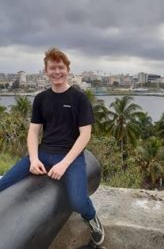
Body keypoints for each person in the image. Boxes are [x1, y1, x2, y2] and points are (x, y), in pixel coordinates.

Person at [0, 47, 105, 246]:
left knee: (78, 202)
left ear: (67, 69)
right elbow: (33, 131)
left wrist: (64, 164)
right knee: (4, 183)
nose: (57, 72)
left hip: (70, 158)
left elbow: (85, 135)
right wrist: (34, 158)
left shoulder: (79, 99)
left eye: (60, 67)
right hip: (44, 152)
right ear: (46, 71)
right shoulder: (41, 99)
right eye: (52, 68)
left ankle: (92, 219)